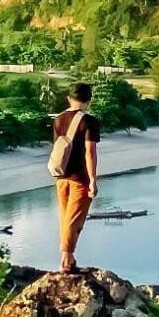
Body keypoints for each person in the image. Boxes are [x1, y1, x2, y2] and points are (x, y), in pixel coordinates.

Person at [53, 82, 101, 274]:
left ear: (69, 98)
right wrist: (93, 180)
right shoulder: (89, 121)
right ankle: (65, 260)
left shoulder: (58, 119)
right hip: (80, 178)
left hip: (61, 176)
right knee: (74, 221)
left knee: (66, 219)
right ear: (89, 100)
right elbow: (90, 152)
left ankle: (70, 259)